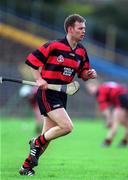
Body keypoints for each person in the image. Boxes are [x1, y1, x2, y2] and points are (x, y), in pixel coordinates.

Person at [19, 14, 97, 176]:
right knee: (67, 127)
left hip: (62, 93)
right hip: (47, 93)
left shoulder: (81, 51)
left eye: (84, 28)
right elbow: (32, 60)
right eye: (80, 28)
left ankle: (26, 167)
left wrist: (88, 75)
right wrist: (39, 79)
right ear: (70, 29)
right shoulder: (54, 46)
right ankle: (35, 142)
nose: (83, 31)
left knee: (47, 138)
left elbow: (82, 73)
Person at [85, 79, 128, 147]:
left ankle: (107, 141)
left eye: (91, 87)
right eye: (88, 88)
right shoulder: (105, 87)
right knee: (126, 122)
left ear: (97, 85)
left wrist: (108, 119)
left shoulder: (100, 91)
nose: (90, 90)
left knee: (115, 121)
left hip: (121, 99)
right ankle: (124, 141)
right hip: (126, 97)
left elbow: (104, 108)